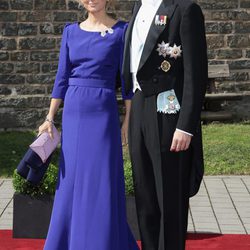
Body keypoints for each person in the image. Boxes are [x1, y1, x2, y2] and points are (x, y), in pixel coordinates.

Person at [38, 0, 139, 249]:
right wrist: (50, 118)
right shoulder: (70, 31)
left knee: (102, 178)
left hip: (103, 111)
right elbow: (61, 77)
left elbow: (127, 80)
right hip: (74, 112)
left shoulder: (122, 31)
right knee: (71, 179)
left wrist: (128, 119)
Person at [122, 0, 208, 249]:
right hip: (139, 104)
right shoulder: (137, 6)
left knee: (169, 198)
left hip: (168, 112)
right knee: (145, 195)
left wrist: (186, 125)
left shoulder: (185, 9)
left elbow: (195, 72)